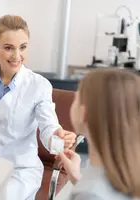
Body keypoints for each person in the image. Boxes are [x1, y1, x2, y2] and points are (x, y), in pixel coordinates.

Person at [0, 15, 76, 200]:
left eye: (23, 47)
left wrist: (58, 136)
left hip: (19, 169)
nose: (17, 56)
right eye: (8, 48)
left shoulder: (39, 85)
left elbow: (48, 127)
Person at [58, 68, 140, 199]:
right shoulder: (128, 174)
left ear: (84, 114)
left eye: (76, 98)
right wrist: (77, 178)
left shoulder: (89, 194)